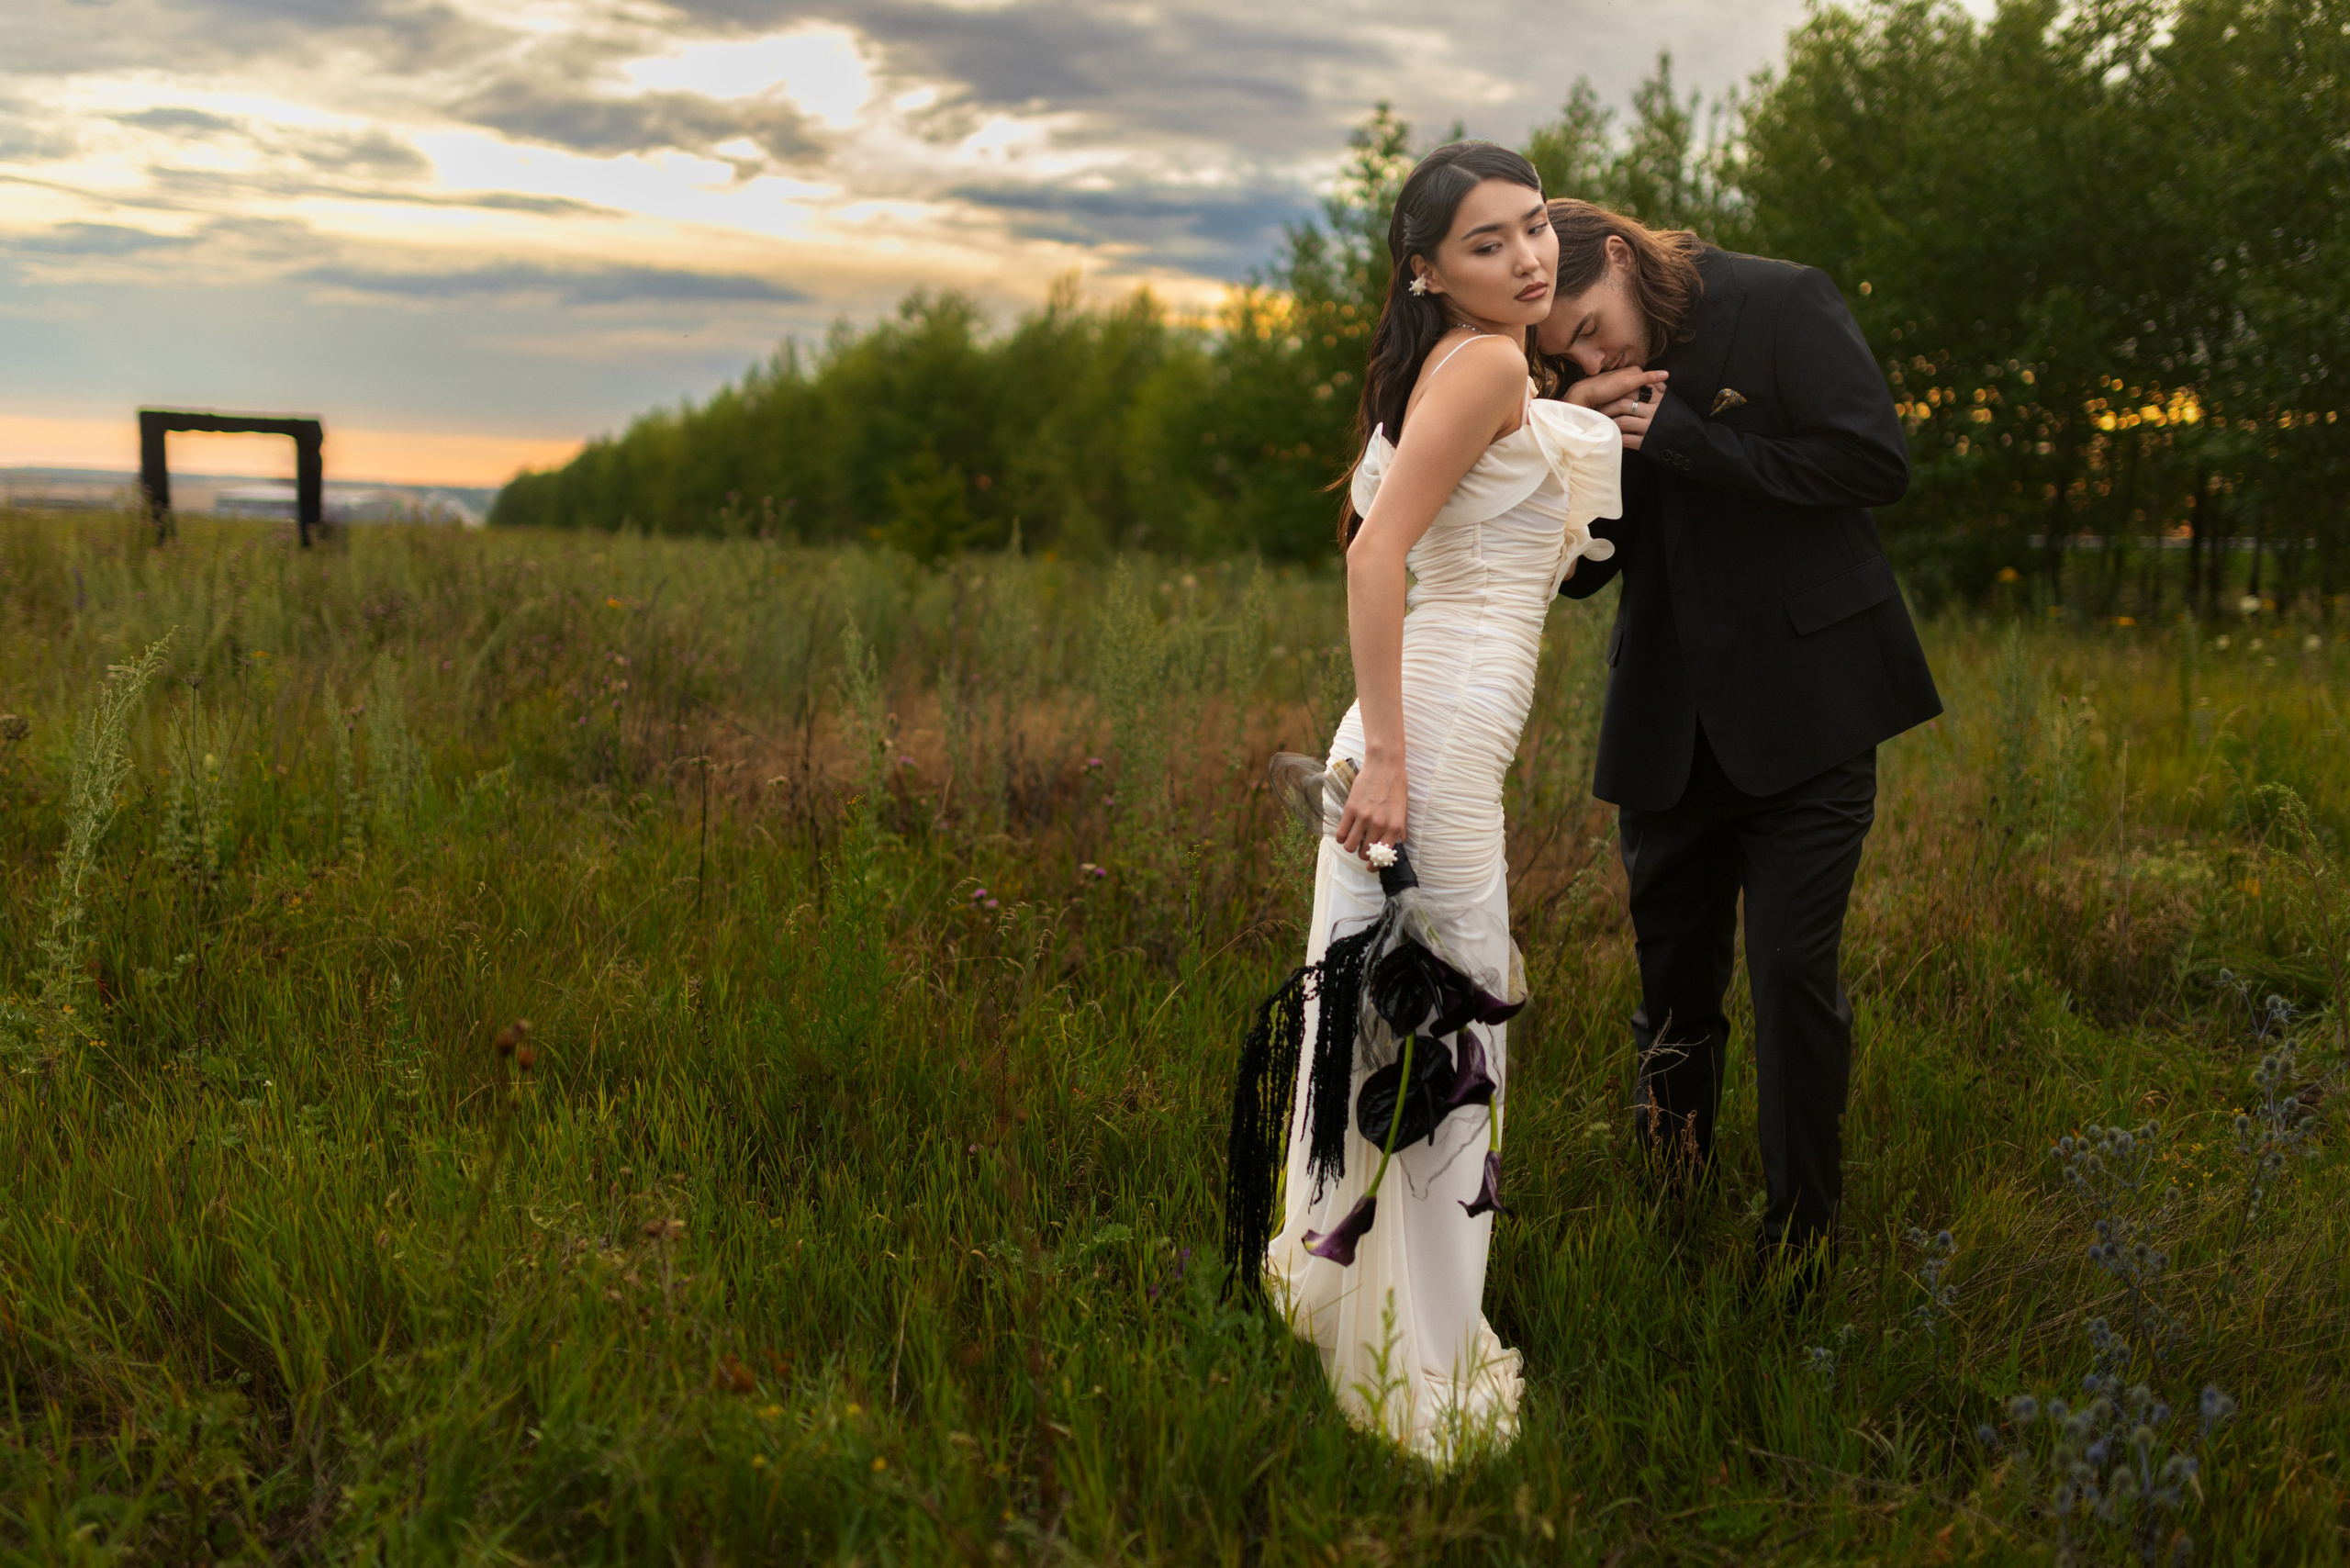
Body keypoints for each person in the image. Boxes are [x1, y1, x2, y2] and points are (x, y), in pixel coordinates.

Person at [1247, 143, 1630, 1463]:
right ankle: (1416, 1354)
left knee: (1379, 1021)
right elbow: (1377, 557)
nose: (1528, 258)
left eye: (1535, 230)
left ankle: (1355, 1293)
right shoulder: (1486, 363)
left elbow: (1493, 483)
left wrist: (1594, 405)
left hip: (1429, 725)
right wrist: (1399, 763)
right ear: (1427, 268)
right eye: (1487, 244)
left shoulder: (1467, 367)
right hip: (1438, 734)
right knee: (1443, 1036)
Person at [1538, 198, 1943, 1294]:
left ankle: (1799, 1242)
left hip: (1811, 711)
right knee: (1670, 985)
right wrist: (1577, 440)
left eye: (1587, 323)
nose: (1588, 351)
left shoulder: (1780, 298)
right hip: (1666, 723)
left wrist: (1686, 441)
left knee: (1791, 975)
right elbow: (1584, 574)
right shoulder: (1581, 382)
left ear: (1618, 258)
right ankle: (1667, 1210)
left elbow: (1872, 464)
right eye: (1561, 349)